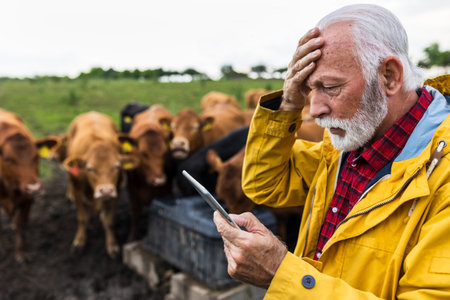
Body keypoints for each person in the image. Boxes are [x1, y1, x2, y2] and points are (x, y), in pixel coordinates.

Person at [213, 3, 450, 299]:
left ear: (389, 76)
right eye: (309, 88)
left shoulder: (442, 175)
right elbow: (265, 185)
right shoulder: (346, 148)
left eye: (331, 87)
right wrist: (288, 103)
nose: (314, 110)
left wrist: (281, 273)